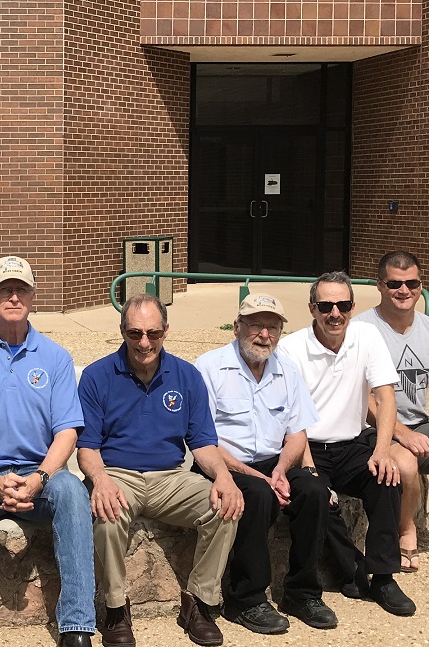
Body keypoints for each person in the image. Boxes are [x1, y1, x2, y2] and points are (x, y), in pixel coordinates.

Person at [0, 256, 95, 647]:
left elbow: (67, 432)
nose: (13, 296)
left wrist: (40, 478)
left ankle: (76, 624)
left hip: (39, 473)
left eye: (21, 289)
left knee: (73, 492)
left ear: (32, 296)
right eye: (5, 289)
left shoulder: (56, 358)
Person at [77, 293, 242, 647]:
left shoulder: (186, 376)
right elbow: (86, 447)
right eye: (135, 333)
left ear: (166, 331)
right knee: (107, 517)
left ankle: (198, 602)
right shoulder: (96, 376)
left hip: (172, 477)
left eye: (153, 333)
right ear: (122, 331)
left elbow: (202, 443)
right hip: (118, 473)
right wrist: (101, 480)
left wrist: (224, 477)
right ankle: (117, 610)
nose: (144, 342)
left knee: (224, 508)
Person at [277, 271, 416, 616]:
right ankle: (340, 574)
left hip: (353, 443)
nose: (335, 313)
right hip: (308, 446)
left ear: (353, 306)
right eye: (326, 305)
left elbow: (385, 396)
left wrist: (382, 452)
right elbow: (291, 417)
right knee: (316, 497)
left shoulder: (366, 336)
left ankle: (383, 577)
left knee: (387, 478)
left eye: (342, 305)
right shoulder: (291, 348)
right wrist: (307, 465)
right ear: (312, 308)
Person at [195, 294, 335, 633]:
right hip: (223, 463)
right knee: (257, 494)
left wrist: (280, 470)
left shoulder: (287, 370)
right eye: (256, 325)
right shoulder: (208, 367)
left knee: (315, 490)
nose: (264, 334)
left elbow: (297, 432)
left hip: (274, 462)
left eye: (272, 327)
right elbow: (204, 440)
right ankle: (245, 599)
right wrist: (262, 476)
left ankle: (301, 593)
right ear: (237, 327)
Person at [354, 251, 429, 572]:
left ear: (420, 284)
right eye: (395, 283)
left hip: (420, 425)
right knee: (406, 465)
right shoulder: (361, 330)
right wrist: (402, 433)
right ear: (380, 285)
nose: (404, 290)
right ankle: (406, 530)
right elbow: (364, 398)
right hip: (377, 430)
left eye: (411, 283)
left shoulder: (427, 328)